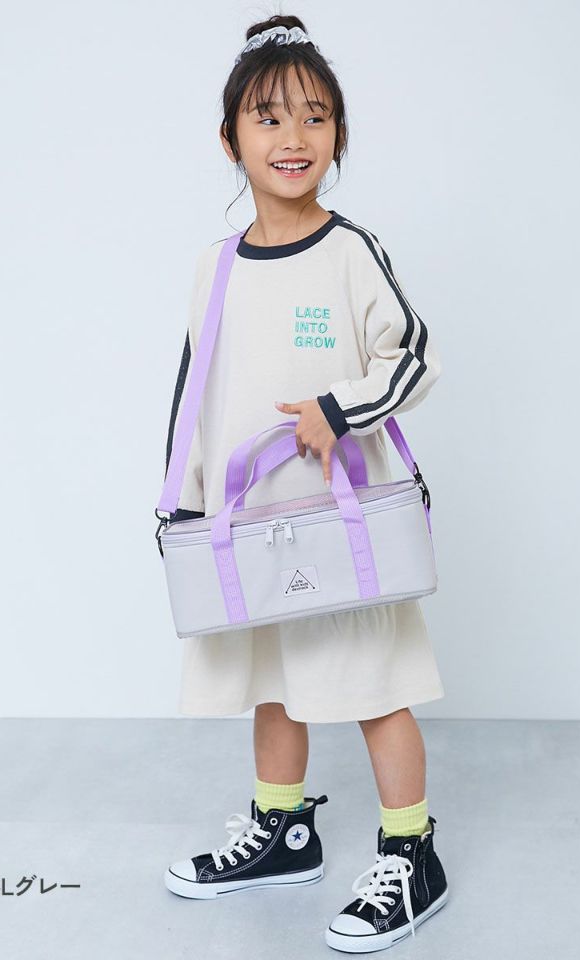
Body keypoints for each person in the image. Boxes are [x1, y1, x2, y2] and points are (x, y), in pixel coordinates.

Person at [161, 14, 449, 951]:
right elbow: (194, 394)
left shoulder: (348, 251)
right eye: (270, 116)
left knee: (371, 683)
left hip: (340, 522)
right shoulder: (214, 268)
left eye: (316, 117)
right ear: (230, 139)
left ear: (339, 136)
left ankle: (412, 851)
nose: (294, 137)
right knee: (272, 679)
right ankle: (285, 830)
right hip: (253, 527)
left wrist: (339, 407)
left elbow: (412, 356)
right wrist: (183, 502)